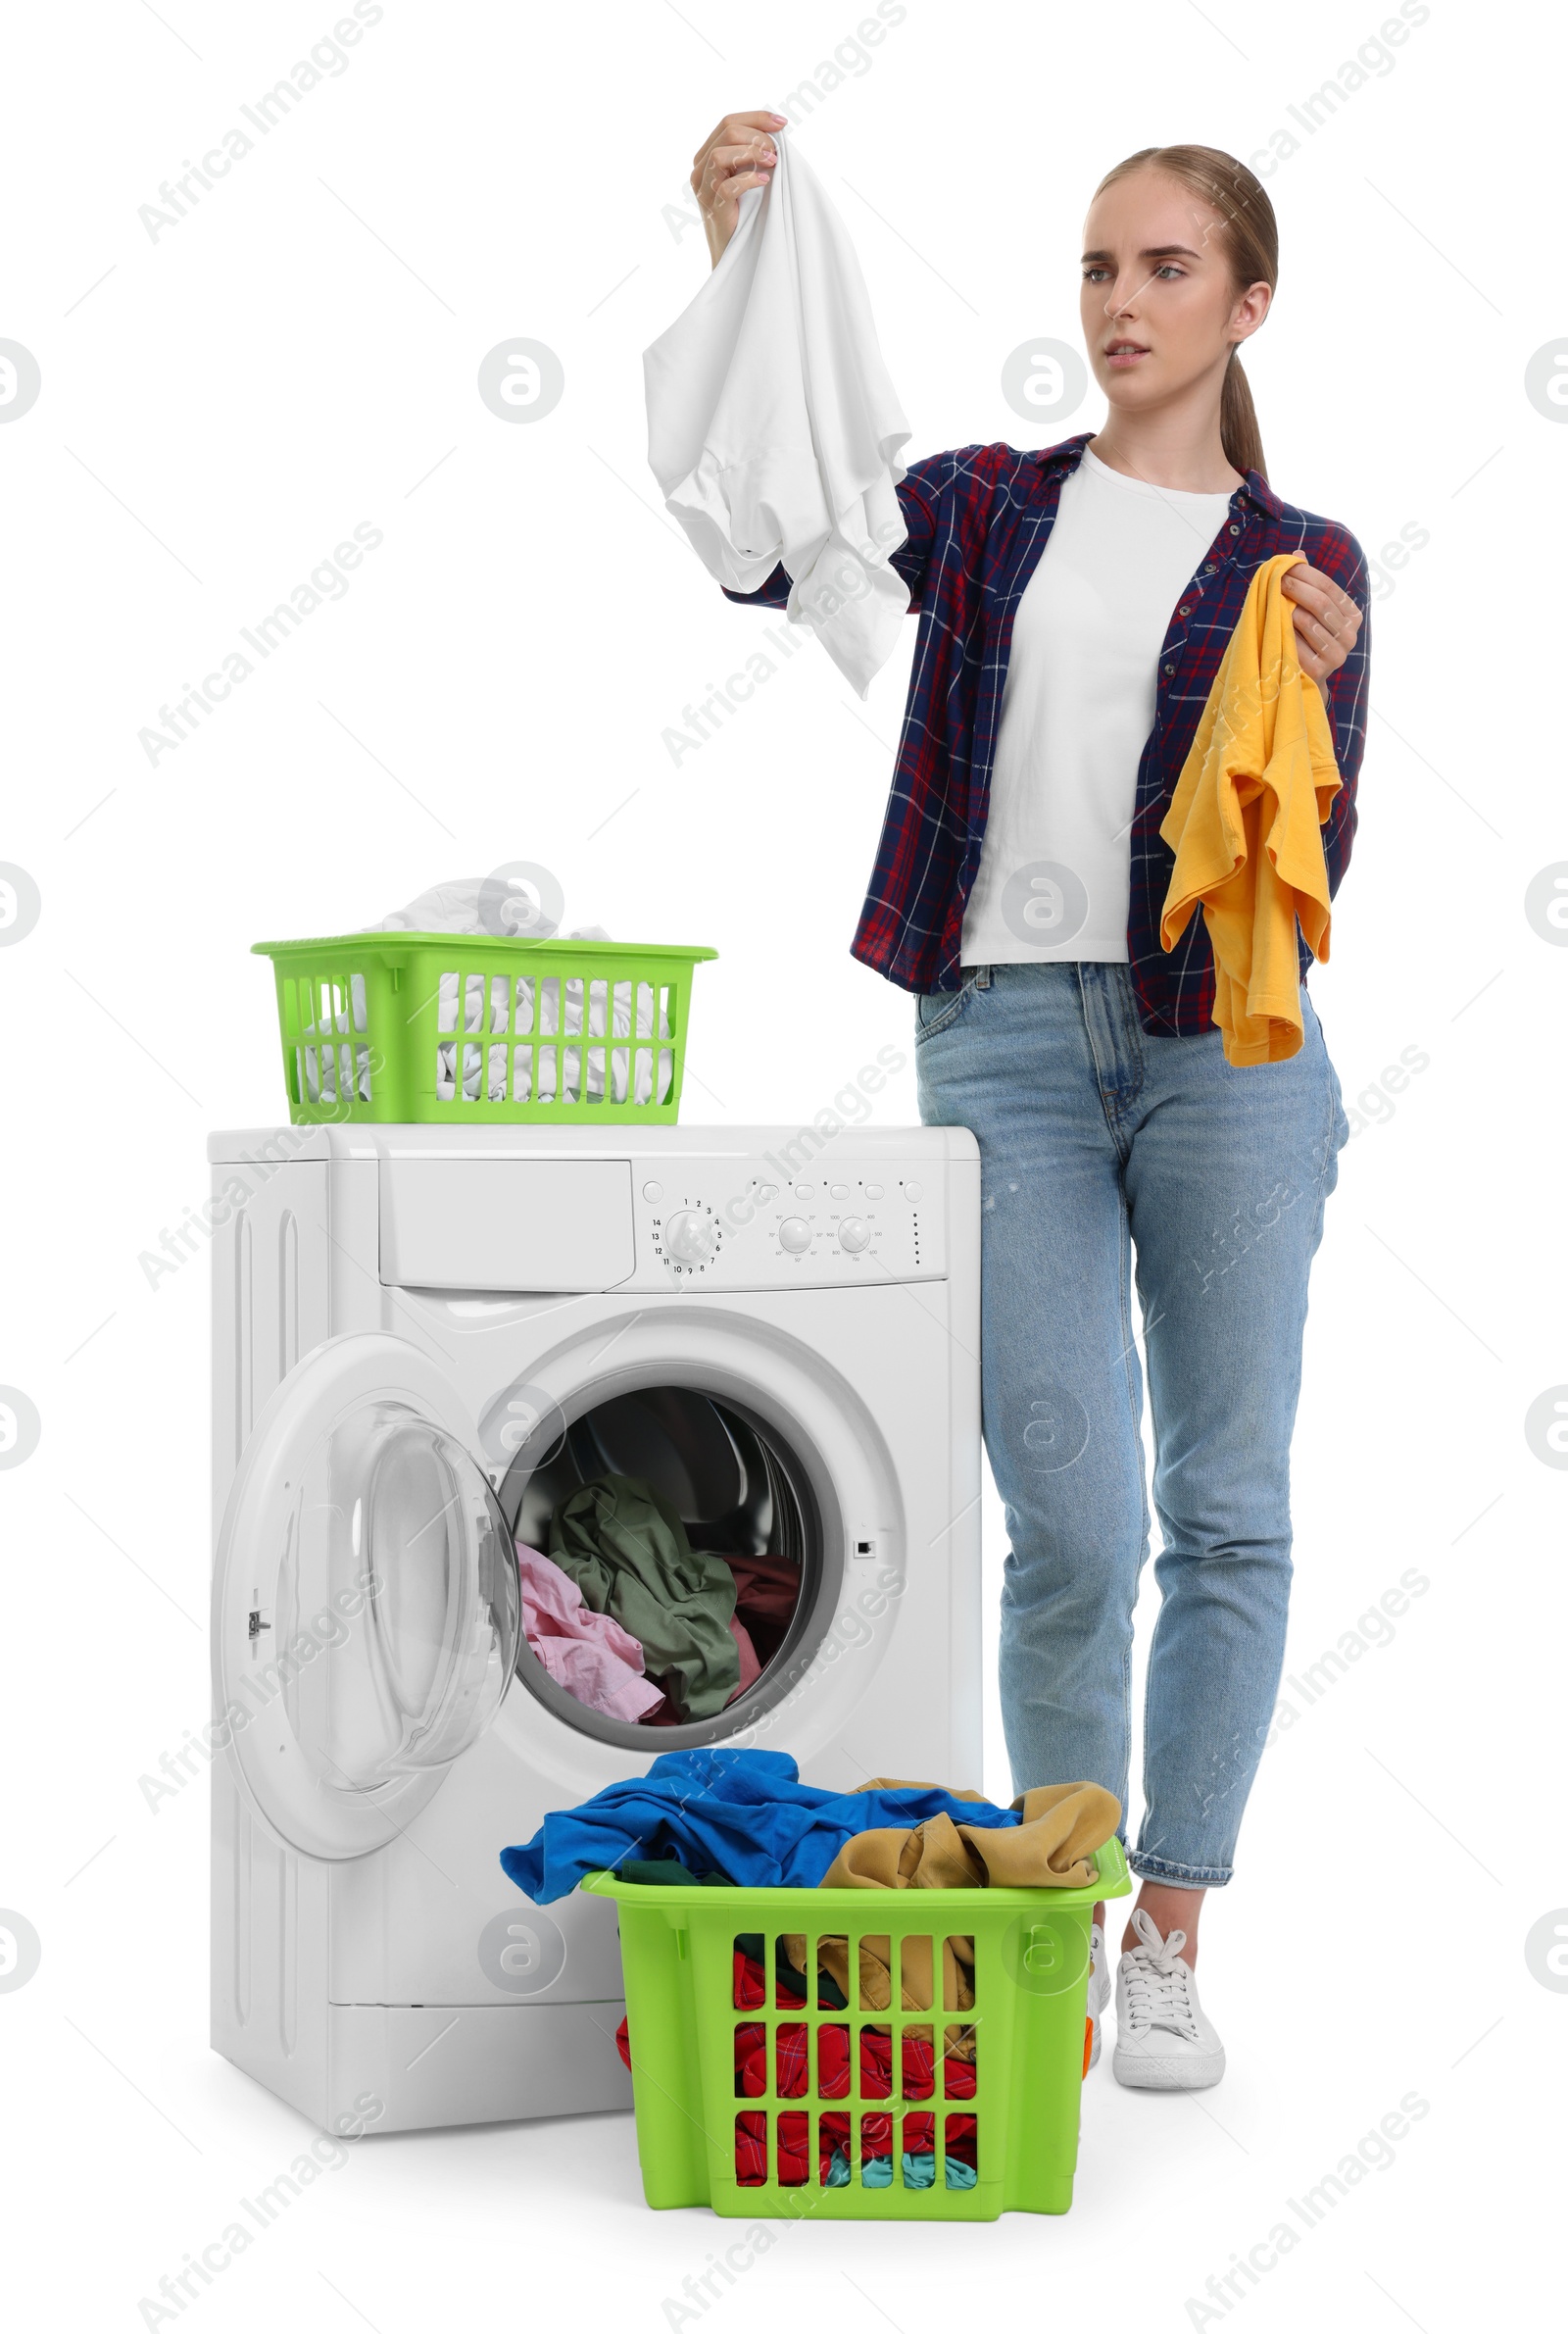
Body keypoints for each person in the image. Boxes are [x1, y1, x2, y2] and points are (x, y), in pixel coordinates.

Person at [688, 118, 1367, 2090]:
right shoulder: (985, 505)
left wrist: (1312, 714)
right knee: (1068, 1517)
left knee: (1221, 1511)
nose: (1119, 305)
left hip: (1221, 1055)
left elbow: (1312, 854)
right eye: (1094, 267)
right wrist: (736, 253)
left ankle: (1166, 1931)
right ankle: (1059, 1915)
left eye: (1163, 270)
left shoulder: (1299, 566)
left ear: (1245, 305)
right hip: (998, 1040)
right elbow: (771, 539)